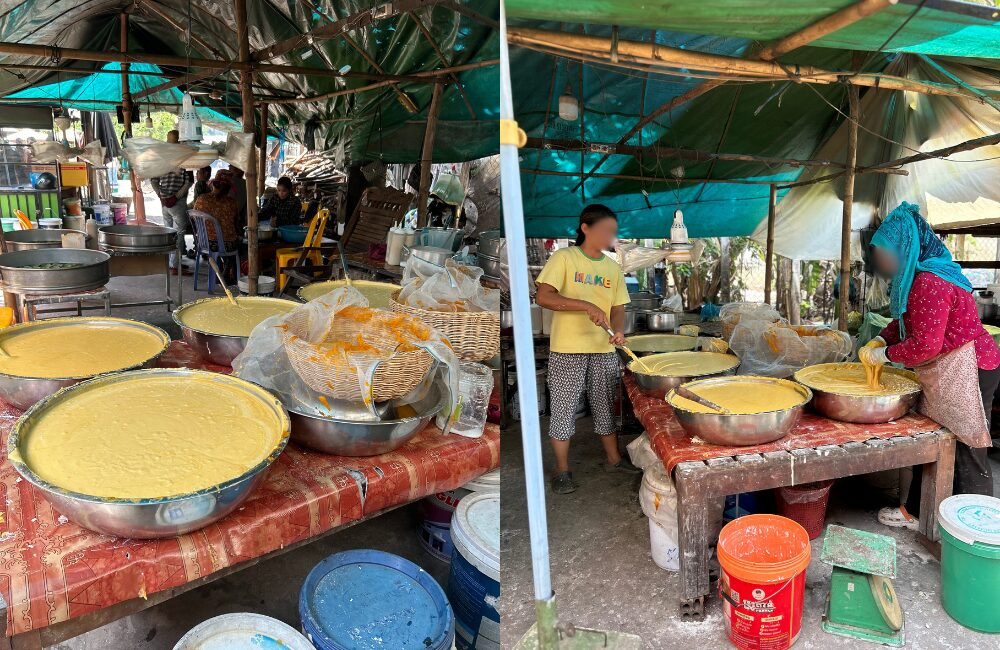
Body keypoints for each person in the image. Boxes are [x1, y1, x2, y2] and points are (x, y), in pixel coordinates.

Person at [860, 202, 1000, 529]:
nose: (881, 261)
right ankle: (918, 513)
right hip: (950, 369)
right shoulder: (917, 275)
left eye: (885, 253)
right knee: (935, 443)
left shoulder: (931, 281)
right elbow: (908, 322)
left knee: (969, 451)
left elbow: (925, 345)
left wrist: (886, 355)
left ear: (905, 248)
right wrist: (881, 339)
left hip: (970, 370)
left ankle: (978, 533)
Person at [534, 204, 639, 495]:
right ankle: (562, 469)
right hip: (568, 349)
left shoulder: (612, 267)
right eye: (605, 230)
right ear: (585, 228)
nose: (610, 236)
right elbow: (544, 296)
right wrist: (586, 305)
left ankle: (614, 459)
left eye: (613, 232)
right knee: (564, 410)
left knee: (606, 407)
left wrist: (618, 330)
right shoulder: (564, 258)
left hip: (603, 350)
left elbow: (617, 307)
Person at [150, 130, 192, 273]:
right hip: (177, 203)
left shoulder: (161, 159)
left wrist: (161, 196)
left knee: (168, 233)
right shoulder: (184, 159)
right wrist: (176, 196)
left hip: (164, 203)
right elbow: (188, 182)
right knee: (179, 234)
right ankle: (175, 266)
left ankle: (171, 263)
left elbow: (153, 180)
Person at [193, 169, 239, 282]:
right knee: (238, 244)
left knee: (217, 242)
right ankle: (231, 273)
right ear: (228, 188)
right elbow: (236, 222)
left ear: (213, 184)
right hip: (227, 245)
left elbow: (194, 217)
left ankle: (220, 270)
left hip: (206, 243)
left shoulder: (201, 199)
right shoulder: (231, 202)